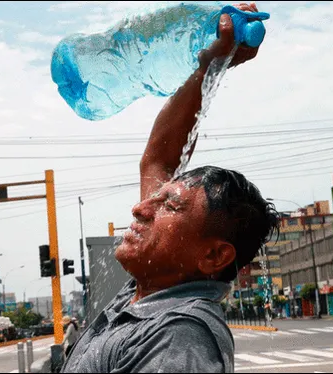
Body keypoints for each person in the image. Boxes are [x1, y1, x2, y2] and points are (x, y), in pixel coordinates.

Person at [62, 3, 278, 373]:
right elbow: (159, 159)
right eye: (157, 198)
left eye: (170, 206)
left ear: (212, 257)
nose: (141, 208)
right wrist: (211, 66)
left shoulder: (178, 337)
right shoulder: (151, 293)